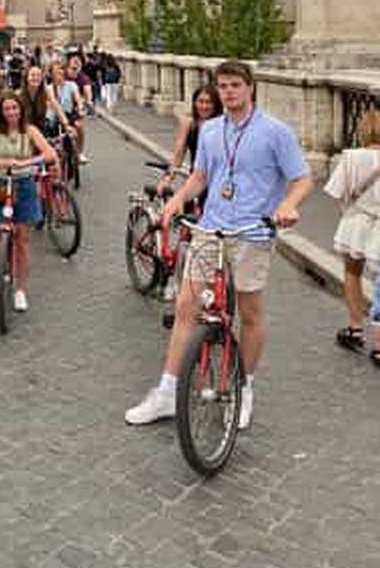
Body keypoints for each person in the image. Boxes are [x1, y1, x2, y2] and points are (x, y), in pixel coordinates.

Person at [125, 60, 313, 431]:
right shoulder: (211, 130)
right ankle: (167, 390)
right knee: (185, 307)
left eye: (234, 86)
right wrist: (179, 199)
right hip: (210, 228)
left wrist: (288, 206)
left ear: (250, 88)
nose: (228, 92)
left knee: (250, 313)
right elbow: (202, 175)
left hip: (252, 232)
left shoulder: (275, 132)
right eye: (223, 86)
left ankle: (244, 386)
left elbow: (302, 179)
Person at [0, 91, 57, 313]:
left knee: (23, 242)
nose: (11, 113)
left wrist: (29, 161)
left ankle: (20, 290)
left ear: (21, 110)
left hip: (25, 185)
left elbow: (50, 154)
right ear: (1, 112)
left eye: (15, 108)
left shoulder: (30, 130)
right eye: (7, 109)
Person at [324, 109, 380, 361]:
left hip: (356, 221)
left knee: (352, 272)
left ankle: (355, 327)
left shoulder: (352, 158)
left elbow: (336, 192)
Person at [156, 84, 223, 196]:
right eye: (200, 101)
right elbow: (179, 153)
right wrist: (167, 179)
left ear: (216, 105)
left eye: (209, 102)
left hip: (218, 181)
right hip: (196, 179)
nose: (204, 106)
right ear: (194, 103)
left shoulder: (223, 124)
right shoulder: (188, 123)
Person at [20, 63, 73, 139]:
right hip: (24, 132)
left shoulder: (46, 92)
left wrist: (66, 124)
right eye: (32, 75)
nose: (36, 78)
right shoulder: (19, 95)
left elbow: (57, 107)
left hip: (42, 131)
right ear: (26, 78)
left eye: (38, 75)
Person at [66, 52, 92, 163]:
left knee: (79, 126)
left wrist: (89, 102)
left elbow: (87, 90)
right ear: (68, 64)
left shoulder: (83, 78)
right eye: (74, 61)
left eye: (78, 62)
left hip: (76, 109)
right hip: (61, 106)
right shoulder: (62, 75)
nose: (76, 64)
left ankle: (80, 152)